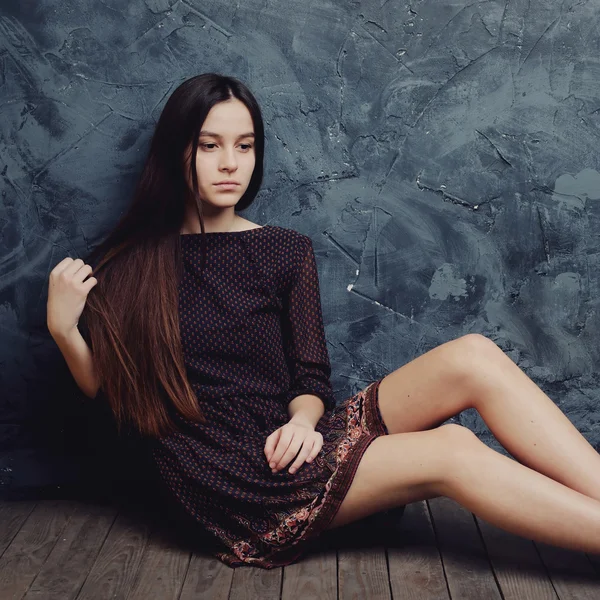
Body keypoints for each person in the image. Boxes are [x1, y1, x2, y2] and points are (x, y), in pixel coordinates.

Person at [47, 73, 600, 570]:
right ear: (177, 154)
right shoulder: (133, 263)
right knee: (452, 449)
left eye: (244, 146)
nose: (230, 164)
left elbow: (310, 380)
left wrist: (303, 424)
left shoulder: (285, 250)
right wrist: (64, 330)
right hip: (232, 483)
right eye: (209, 146)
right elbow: (107, 387)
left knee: (473, 355)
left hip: (289, 446)